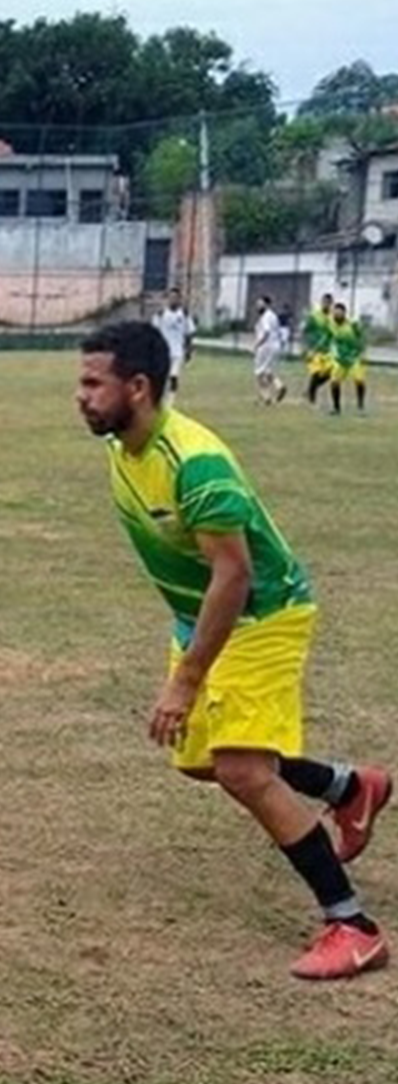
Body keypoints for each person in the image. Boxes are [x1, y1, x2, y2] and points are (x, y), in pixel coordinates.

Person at [76, 321, 390, 980]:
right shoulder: (124, 447)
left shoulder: (196, 464)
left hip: (261, 615)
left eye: (92, 383)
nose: (80, 396)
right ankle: (347, 786)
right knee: (200, 764)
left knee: (244, 769)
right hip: (204, 619)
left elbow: (236, 575)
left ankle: (351, 924)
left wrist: (186, 681)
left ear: (138, 387)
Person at [326, 301, 369, 416]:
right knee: (334, 382)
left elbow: (361, 338)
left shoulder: (352, 324)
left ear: (344, 314)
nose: (337, 315)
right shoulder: (331, 324)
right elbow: (329, 338)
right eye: (335, 313)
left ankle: (360, 407)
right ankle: (336, 408)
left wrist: (362, 353)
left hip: (354, 357)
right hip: (340, 359)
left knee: (359, 381)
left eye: (339, 313)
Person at [152, 289, 194, 396]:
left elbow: (188, 333)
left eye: (176, 298)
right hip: (164, 350)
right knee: (163, 375)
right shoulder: (161, 314)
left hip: (178, 351)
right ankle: (163, 395)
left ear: (179, 300)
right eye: (171, 298)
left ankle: (171, 397)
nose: (173, 300)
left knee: (173, 375)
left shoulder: (184, 314)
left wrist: (189, 349)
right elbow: (155, 331)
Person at [251, 297, 288, 406]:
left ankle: (266, 397)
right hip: (275, 346)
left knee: (258, 373)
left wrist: (257, 344)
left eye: (260, 304)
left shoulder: (266, 317)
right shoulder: (273, 316)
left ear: (266, 304)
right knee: (268, 371)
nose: (257, 306)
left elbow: (266, 332)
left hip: (265, 347)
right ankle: (279, 385)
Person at [302, 295, 336, 406]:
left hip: (328, 350)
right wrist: (306, 347)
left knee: (330, 373)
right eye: (324, 302)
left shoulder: (333, 317)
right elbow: (306, 331)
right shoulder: (314, 316)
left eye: (328, 303)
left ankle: (310, 389)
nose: (326, 305)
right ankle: (312, 399)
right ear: (321, 302)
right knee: (315, 373)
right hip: (315, 349)